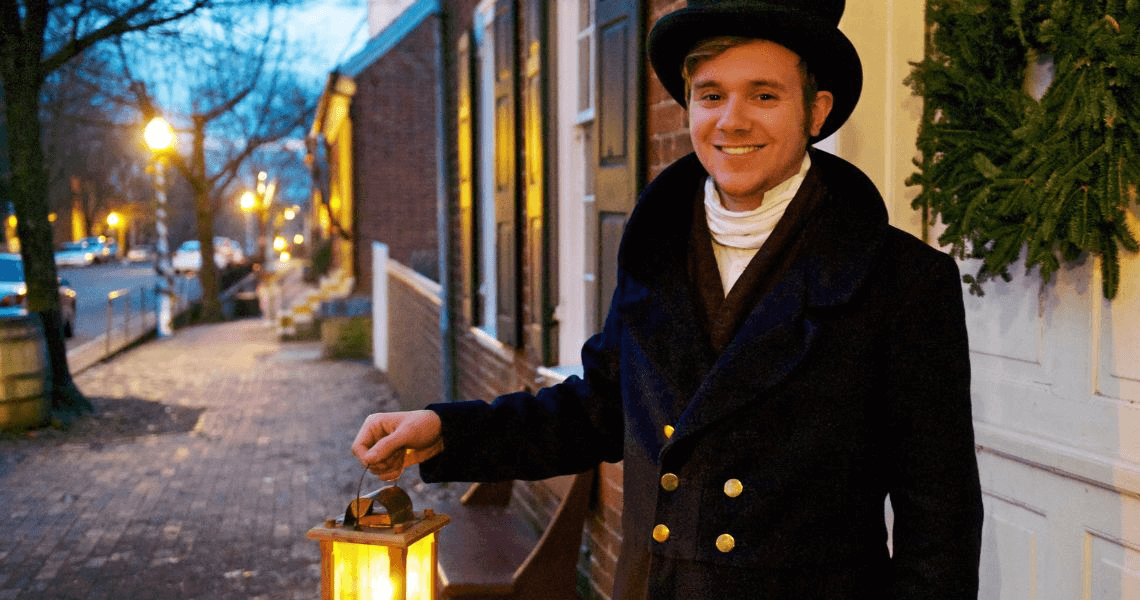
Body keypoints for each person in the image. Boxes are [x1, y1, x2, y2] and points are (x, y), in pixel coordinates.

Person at [353, 1, 984, 598]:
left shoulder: (903, 281)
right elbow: (600, 408)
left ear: (815, 111)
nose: (731, 120)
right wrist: (446, 433)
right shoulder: (653, 249)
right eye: (711, 95)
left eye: (764, 95)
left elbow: (941, 521)